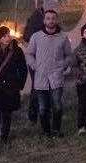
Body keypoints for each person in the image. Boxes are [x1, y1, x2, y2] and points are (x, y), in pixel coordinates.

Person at [25, 9, 73, 137]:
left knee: (57, 105)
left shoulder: (63, 37)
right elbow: (29, 54)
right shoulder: (36, 37)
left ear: (56, 20)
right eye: (48, 18)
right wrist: (35, 66)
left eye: (53, 18)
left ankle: (56, 130)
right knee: (42, 108)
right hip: (41, 78)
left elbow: (69, 55)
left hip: (56, 77)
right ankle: (46, 131)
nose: (51, 21)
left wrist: (62, 66)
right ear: (44, 20)